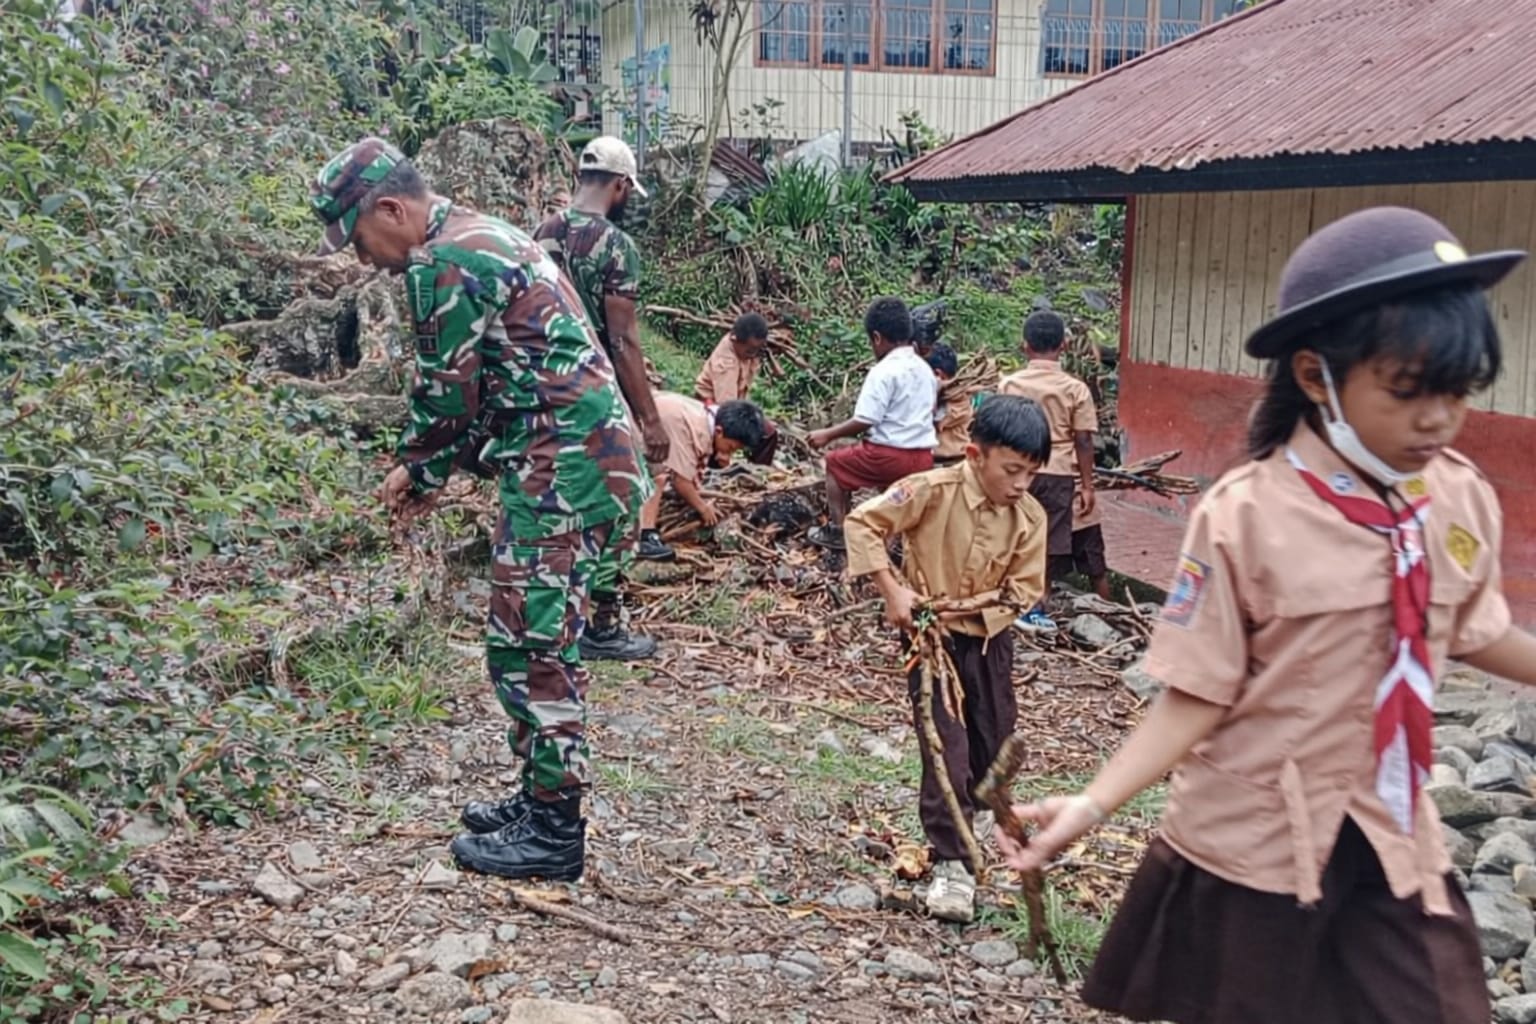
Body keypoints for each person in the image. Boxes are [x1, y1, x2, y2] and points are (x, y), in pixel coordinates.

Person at [998, 206, 1536, 1024]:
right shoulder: (1247, 515)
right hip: (1253, 846)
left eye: (1457, 394)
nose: (1438, 420)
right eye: (1407, 393)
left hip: (1392, 831)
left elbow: (1473, 628)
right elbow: (1199, 689)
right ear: (1318, 376)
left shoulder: (1454, 495)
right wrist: (1092, 803)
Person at [309, 137, 650, 881]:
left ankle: (555, 833)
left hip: (566, 469)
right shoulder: (483, 231)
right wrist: (433, 465)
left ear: (391, 209)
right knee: (521, 638)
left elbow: (446, 388)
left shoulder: (445, 260)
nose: (365, 260)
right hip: (570, 461)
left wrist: (416, 469)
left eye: (360, 239)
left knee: (534, 650)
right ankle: (538, 797)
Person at [843, 395, 1050, 923]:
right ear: (975, 454)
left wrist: (979, 608)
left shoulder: (1029, 516)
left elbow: (1024, 589)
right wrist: (894, 591)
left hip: (988, 640)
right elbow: (863, 524)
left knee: (994, 735)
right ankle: (953, 865)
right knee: (945, 747)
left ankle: (978, 815)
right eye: (1012, 470)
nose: (1021, 483)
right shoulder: (930, 491)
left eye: (1031, 472)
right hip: (929, 640)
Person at [534, 136, 664, 659]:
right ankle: (603, 625)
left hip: (541, 392)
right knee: (628, 496)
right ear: (620, 185)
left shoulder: (540, 234)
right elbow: (623, 339)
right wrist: (649, 419)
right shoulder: (615, 246)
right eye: (628, 189)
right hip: (593, 394)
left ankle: (550, 615)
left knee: (555, 498)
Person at [806, 298, 938, 550]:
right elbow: (930, 410)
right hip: (923, 457)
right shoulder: (924, 369)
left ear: (877, 338)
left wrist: (828, 434)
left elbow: (866, 419)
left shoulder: (883, 371)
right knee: (893, 493)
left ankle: (837, 531)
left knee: (835, 464)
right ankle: (895, 542)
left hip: (889, 456)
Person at [998, 311, 1097, 632]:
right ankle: (1036, 604)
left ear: (1025, 346)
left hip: (1015, 470)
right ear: (1064, 346)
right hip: (1057, 472)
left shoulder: (1009, 383)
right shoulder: (1076, 389)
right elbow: (1083, 439)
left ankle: (1010, 597)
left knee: (1013, 530)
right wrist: (1087, 485)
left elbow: (998, 429)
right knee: (1050, 540)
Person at [635, 394, 769, 559]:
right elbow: (680, 480)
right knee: (658, 477)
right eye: (730, 447)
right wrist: (703, 508)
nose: (729, 454)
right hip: (633, 432)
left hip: (643, 421)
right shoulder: (694, 429)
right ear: (719, 432)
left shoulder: (706, 417)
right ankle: (645, 536)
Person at [695, 311, 780, 465]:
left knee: (769, 433)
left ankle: (757, 469)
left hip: (732, 406)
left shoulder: (746, 350)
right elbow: (727, 406)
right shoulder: (726, 364)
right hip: (712, 408)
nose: (753, 354)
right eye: (750, 350)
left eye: (756, 350)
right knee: (764, 433)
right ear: (735, 340)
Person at [926, 342, 971, 467]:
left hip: (954, 460)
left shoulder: (960, 399)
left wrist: (935, 391)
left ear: (938, 374)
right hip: (931, 460)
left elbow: (935, 422)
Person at [1069, 488, 1112, 601]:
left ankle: (1106, 607)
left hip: (1079, 511)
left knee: (1095, 569)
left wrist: (1086, 488)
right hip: (1053, 508)